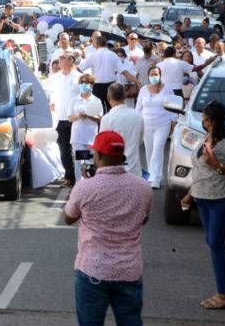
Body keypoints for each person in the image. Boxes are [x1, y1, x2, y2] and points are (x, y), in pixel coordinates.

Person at [65, 130, 153, 326]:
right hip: (128, 270)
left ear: (97, 156)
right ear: (122, 156)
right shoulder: (143, 187)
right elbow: (143, 219)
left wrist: (86, 181)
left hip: (92, 270)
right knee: (130, 321)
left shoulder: (85, 187)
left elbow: (69, 218)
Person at [180, 101, 225, 310]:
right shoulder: (206, 138)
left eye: (204, 117)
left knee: (216, 243)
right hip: (202, 198)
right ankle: (222, 292)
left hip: (222, 199)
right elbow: (200, 173)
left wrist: (218, 165)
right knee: (212, 242)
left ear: (211, 121)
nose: (202, 120)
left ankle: (223, 295)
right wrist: (190, 195)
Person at [135, 67, 177, 189]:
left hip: (162, 124)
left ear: (160, 75)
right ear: (148, 76)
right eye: (152, 74)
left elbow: (173, 109)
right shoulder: (143, 89)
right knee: (149, 150)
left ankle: (156, 178)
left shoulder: (167, 89)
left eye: (156, 74)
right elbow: (138, 108)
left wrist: (174, 126)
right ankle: (150, 175)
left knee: (158, 149)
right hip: (146, 124)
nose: (154, 76)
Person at [78, 36, 139, 112]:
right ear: (106, 44)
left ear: (96, 45)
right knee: (112, 110)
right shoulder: (112, 55)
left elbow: (79, 69)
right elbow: (125, 72)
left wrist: (87, 80)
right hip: (111, 86)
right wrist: (138, 82)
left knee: (97, 111)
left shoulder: (93, 55)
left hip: (97, 86)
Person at [48, 52, 82, 187]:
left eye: (62, 58)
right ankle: (69, 177)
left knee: (79, 149)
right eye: (60, 58)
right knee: (64, 149)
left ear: (70, 61)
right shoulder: (56, 77)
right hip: (61, 118)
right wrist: (52, 102)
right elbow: (52, 93)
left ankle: (82, 177)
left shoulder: (79, 77)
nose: (59, 60)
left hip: (76, 118)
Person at [100, 83, 144, 177]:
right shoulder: (137, 115)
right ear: (125, 97)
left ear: (108, 97)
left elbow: (103, 146)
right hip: (134, 169)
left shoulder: (107, 118)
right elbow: (140, 141)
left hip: (114, 171)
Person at [68, 74, 104, 183]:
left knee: (90, 162)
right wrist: (79, 116)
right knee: (78, 162)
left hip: (91, 137)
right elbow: (69, 118)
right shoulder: (74, 100)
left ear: (91, 85)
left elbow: (100, 118)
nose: (84, 85)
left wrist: (88, 115)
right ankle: (79, 185)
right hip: (77, 136)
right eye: (82, 83)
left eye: (86, 83)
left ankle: (91, 184)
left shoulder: (96, 100)